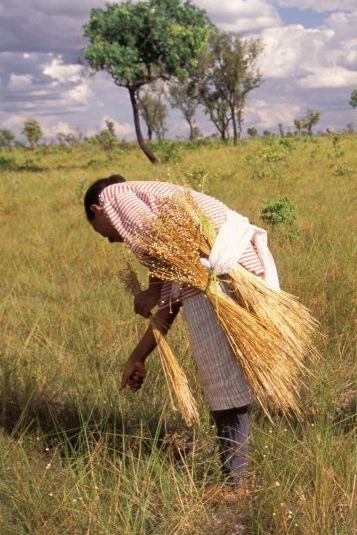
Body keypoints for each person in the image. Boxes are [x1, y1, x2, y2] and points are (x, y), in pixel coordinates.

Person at [84, 175, 279, 492]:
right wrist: (137, 356)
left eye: (100, 232)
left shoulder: (116, 196)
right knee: (226, 382)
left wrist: (151, 292)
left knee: (224, 382)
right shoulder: (177, 249)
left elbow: (153, 235)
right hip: (226, 271)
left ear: (98, 209)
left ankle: (233, 484)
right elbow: (168, 308)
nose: (111, 239)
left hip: (221, 275)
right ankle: (234, 477)